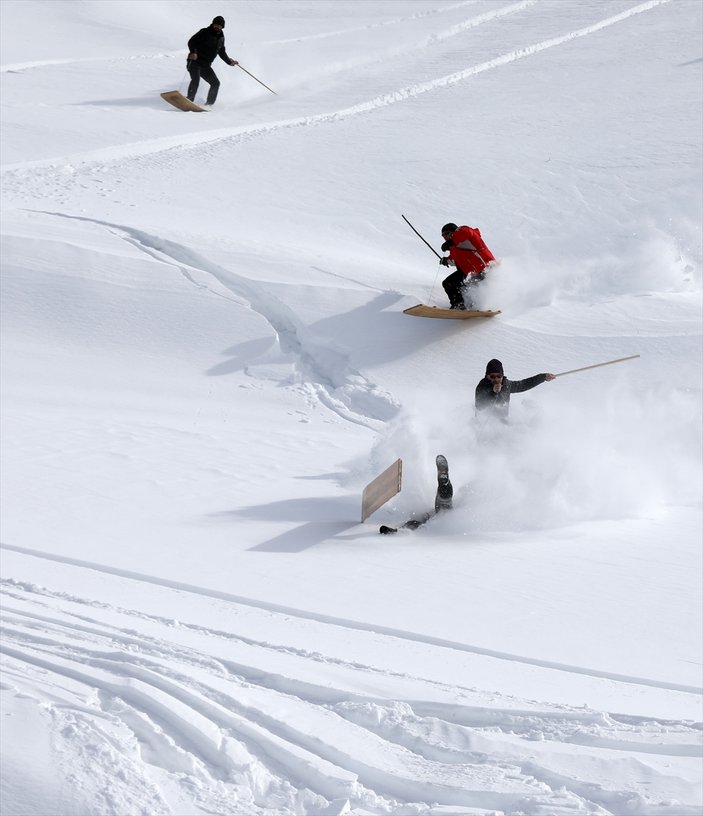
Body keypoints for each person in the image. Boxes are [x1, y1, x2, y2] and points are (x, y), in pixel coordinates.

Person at [475, 359, 555, 420]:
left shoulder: (506, 385)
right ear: (487, 376)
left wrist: (543, 377)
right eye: (492, 376)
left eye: (499, 376)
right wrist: (494, 393)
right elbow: (480, 407)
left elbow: (524, 384)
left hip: (503, 424)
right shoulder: (482, 387)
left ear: (502, 375)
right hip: (484, 427)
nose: (496, 379)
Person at [439, 223, 495, 310]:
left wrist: (452, 241)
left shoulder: (464, 233)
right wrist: (446, 261)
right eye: (443, 235)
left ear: (454, 231)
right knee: (449, 283)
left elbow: (467, 232)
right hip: (472, 273)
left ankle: (477, 306)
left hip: (486, 268)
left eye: (446, 233)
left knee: (474, 286)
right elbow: (456, 260)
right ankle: (459, 305)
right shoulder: (454, 248)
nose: (444, 236)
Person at [187, 16, 238, 106]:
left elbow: (221, 51)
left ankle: (209, 104)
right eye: (216, 24)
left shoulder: (221, 37)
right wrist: (193, 52)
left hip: (206, 66)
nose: (217, 27)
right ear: (212, 24)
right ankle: (189, 101)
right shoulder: (204, 32)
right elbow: (191, 41)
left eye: (219, 25)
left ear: (222, 27)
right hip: (194, 62)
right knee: (196, 80)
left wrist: (229, 62)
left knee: (215, 83)